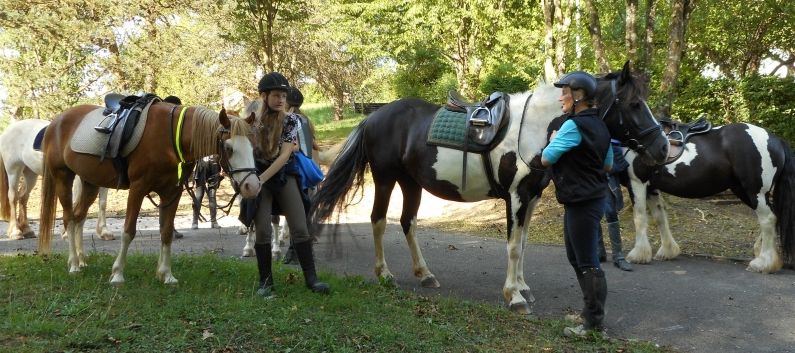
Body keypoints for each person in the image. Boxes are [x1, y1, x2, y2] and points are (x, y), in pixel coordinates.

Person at [242, 72, 329, 296]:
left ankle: (312, 278)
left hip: (284, 175)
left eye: (283, 96)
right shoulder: (251, 121)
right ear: (263, 96)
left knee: (300, 228)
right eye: (276, 96)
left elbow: (283, 156)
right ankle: (265, 282)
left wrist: (261, 179)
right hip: (259, 177)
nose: (281, 100)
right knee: (262, 232)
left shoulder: (291, 120)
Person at [541, 71, 611, 338]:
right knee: (576, 257)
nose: (561, 98)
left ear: (578, 96)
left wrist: (554, 139)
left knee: (588, 260)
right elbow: (608, 164)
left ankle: (594, 324)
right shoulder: (601, 125)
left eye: (565, 93)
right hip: (587, 199)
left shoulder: (573, 125)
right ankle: (589, 312)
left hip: (583, 200)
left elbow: (547, 158)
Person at [278, 85, 322, 264]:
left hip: (296, 168)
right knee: (305, 212)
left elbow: (293, 146)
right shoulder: (306, 121)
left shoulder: (288, 119)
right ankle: (297, 251)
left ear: (286, 103)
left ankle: (295, 252)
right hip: (308, 168)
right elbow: (316, 146)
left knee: (295, 213)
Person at [596, 139, 633, 271]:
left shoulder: (606, 125)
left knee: (611, 213)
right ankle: (599, 251)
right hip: (589, 175)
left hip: (607, 172)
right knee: (593, 213)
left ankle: (618, 256)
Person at [161, 95, 184, 238]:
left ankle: (169, 226)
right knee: (165, 199)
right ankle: (164, 227)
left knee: (171, 199)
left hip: (176, 170)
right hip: (165, 170)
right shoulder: (163, 125)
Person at [191, 155, 223, 229]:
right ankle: (194, 221)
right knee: (199, 195)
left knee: (212, 196)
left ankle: (214, 221)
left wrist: (222, 168)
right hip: (201, 166)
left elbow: (222, 153)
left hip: (214, 166)